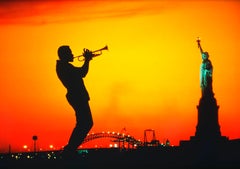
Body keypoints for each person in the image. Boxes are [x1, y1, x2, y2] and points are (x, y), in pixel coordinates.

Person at [56, 45, 93, 158]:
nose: (72, 55)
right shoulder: (65, 67)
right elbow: (83, 73)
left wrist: (87, 60)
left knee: (84, 123)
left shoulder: (65, 66)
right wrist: (87, 60)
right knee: (85, 123)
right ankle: (69, 150)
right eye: (70, 53)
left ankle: (70, 149)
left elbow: (81, 73)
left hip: (77, 96)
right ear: (65, 55)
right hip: (77, 96)